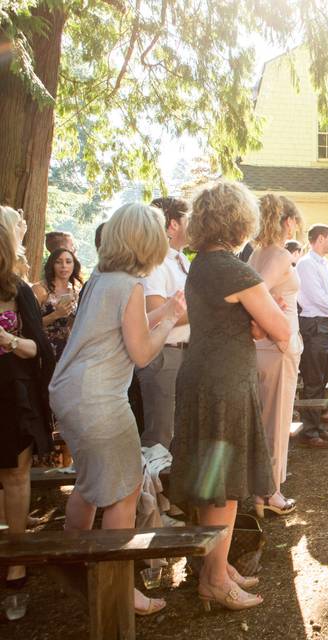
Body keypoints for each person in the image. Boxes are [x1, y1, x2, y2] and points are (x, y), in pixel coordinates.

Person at [49, 203, 186, 616]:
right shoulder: (130, 286)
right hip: (100, 399)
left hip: (70, 392)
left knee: (90, 486)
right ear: (144, 241)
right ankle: (117, 589)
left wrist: (164, 310)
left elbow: (127, 326)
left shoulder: (102, 280)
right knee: (124, 492)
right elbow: (143, 351)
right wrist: (172, 320)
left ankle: (73, 568)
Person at [168, 181, 290, 611]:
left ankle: (213, 566)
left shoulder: (201, 264)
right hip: (225, 383)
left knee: (210, 480)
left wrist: (256, 318)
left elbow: (246, 322)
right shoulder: (235, 270)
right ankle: (215, 581)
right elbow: (281, 331)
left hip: (199, 375)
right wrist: (267, 312)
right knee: (226, 484)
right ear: (239, 220)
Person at [0, 219, 55, 589]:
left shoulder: (17, 290)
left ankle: (17, 565)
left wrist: (7, 339)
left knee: (15, 476)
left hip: (12, 394)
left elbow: (40, 350)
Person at [249, 194, 304, 516]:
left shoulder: (257, 253)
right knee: (276, 421)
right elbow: (258, 291)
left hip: (263, 347)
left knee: (264, 421)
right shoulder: (280, 255)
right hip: (276, 346)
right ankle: (271, 493)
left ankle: (261, 492)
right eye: (295, 219)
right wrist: (272, 321)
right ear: (287, 221)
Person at [133, 197, 191, 450]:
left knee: (179, 433)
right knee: (160, 435)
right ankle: (152, 490)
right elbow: (155, 312)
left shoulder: (181, 260)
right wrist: (207, 310)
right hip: (165, 355)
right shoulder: (155, 263)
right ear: (173, 225)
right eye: (188, 218)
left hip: (186, 353)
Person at [297, 224, 328, 447]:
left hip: (326, 324)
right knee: (313, 379)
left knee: (322, 379)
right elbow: (316, 297)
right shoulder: (306, 265)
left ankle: (318, 427)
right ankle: (309, 433)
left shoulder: (325, 264)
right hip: (314, 325)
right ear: (319, 239)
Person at [32, 248, 83, 360]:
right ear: (52, 265)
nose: (64, 266)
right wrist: (56, 314)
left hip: (68, 350)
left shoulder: (77, 291)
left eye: (68, 262)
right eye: (58, 262)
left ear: (74, 265)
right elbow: (30, 324)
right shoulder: (40, 289)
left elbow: (73, 326)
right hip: (42, 347)